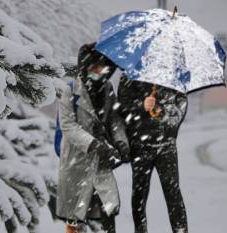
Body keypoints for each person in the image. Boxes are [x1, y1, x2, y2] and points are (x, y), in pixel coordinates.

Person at [56, 43, 129, 233]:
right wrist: (94, 144)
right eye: (96, 67)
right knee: (76, 222)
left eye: (104, 68)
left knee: (107, 215)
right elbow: (68, 126)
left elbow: (114, 120)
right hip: (77, 163)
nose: (100, 71)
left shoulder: (107, 89)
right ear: (85, 66)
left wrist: (121, 141)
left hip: (101, 163)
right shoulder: (70, 90)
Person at [117, 77, 189, 233]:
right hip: (140, 144)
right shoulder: (130, 73)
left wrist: (166, 116)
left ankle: (181, 230)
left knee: (173, 194)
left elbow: (181, 103)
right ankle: (140, 230)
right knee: (139, 194)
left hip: (166, 145)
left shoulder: (171, 73)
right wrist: (141, 106)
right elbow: (122, 108)